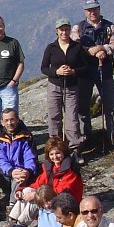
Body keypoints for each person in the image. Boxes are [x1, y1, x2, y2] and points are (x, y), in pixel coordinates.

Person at [75, 0, 114, 151]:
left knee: (112, 105)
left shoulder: (109, 26)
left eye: (94, 9)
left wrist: (102, 48)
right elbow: (75, 47)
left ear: (99, 9)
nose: (92, 12)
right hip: (85, 73)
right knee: (82, 107)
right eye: (89, 10)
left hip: (105, 72)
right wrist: (91, 51)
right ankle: (84, 138)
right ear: (84, 11)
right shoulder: (79, 28)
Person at [41, 17, 90, 157]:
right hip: (54, 86)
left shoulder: (77, 47)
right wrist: (56, 72)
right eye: (61, 29)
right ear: (57, 31)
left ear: (69, 30)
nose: (64, 32)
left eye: (66, 29)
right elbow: (44, 68)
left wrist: (74, 71)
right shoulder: (51, 48)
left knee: (72, 118)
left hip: (71, 87)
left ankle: (74, 149)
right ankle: (54, 148)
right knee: (54, 116)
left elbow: (85, 66)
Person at [0, 108, 37, 219]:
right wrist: (11, 171)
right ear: (2, 122)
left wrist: (27, 171)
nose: (9, 123)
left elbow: (31, 158)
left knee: (19, 176)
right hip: (4, 174)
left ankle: (12, 207)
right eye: (6, 120)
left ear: (17, 119)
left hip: (20, 175)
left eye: (12, 120)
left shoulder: (27, 136)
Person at [18, 136, 83, 204]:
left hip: (66, 204)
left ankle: (21, 215)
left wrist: (36, 195)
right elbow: (38, 184)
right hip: (50, 199)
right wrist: (21, 191)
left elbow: (60, 192)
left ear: (64, 152)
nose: (55, 157)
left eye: (57, 153)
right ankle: (16, 214)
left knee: (36, 198)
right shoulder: (49, 167)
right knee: (27, 191)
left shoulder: (70, 170)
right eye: (51, 154)